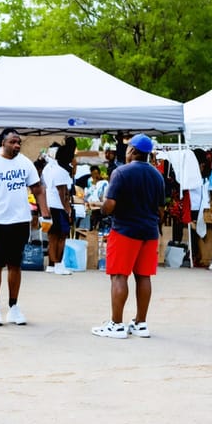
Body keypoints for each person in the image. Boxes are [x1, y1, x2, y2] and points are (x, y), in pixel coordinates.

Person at [92, 134, 165, 339]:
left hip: (125, 231)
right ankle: (141, 324)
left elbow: (110, 205)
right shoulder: (157, 176)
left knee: (119, 275)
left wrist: (103, 208)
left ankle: (116, 325)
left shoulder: (121, 173)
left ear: (132, 150)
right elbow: (161, 210)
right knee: (144, 276)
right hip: (149, 233)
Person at [0, 128, 50, 327]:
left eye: (19, 142)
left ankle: (13, 307)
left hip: (20, 221)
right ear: (3, 143)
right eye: (13, 142)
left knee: (15, 264)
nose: (17, 145)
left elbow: (37, 189)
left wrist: (46, 215)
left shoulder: (25, 163)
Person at [42, 143, 75, 275]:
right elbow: (63, 193)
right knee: (62, 236)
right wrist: (68, 210)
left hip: (50, 205)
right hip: (59, 207)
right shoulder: (61, 172)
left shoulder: (48, 168)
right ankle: (59, 264)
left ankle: (51, 264)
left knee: (52, 237)